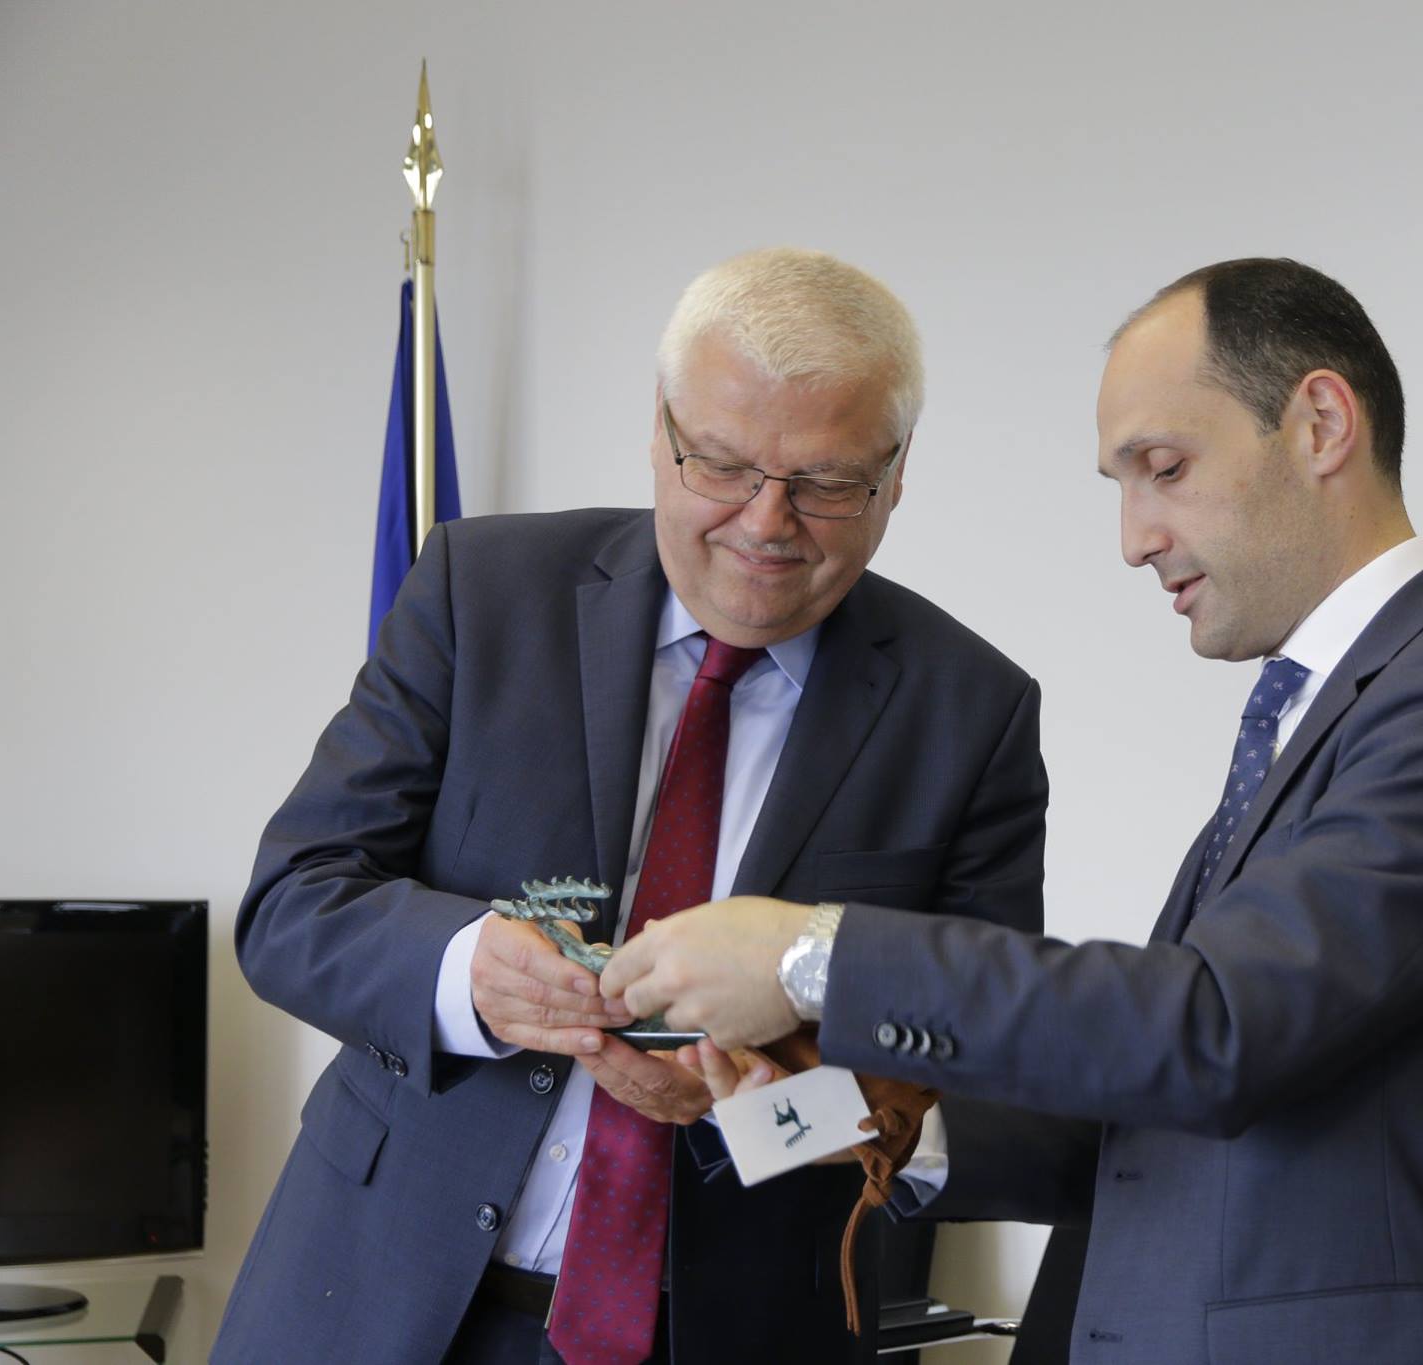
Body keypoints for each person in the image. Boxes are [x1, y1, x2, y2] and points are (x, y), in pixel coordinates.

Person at [606, 257, 1423, 1364]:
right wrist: (825, 1120)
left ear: (1322, 425)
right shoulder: (1314, 716)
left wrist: (809, 956)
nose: (1134, 537)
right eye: (1122, 485)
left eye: (1164, 469)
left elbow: (1214, 1029)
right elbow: (1147, 1118)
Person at [213, 247, 1048, 1365]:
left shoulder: (969, 711)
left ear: (896, 474)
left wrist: (760, 1111)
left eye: (826, 482)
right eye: (723, 465)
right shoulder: (480, 591)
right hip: (370, 1301)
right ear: (659, 429)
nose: (766, 522)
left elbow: (983, 1074)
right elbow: (291, 906)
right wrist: (468, 974)